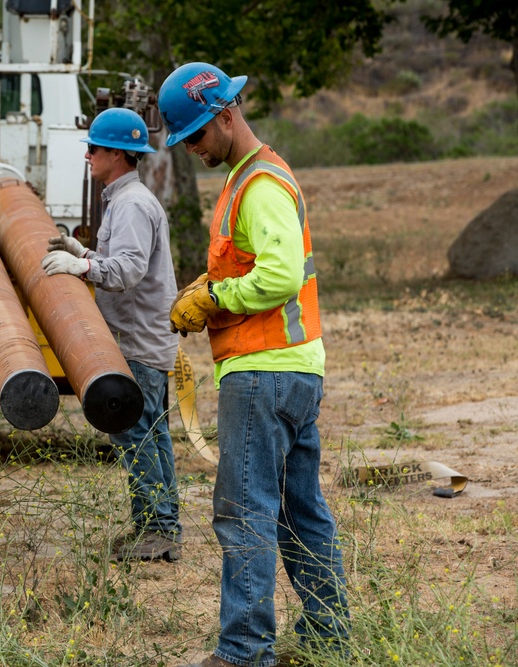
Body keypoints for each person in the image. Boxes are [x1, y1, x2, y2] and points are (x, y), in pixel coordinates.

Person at [158, 63, 349, 667]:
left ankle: (242, 652)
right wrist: (209, 284)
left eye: (194, 136)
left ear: (224, 114)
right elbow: (252, 265)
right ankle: (329, 639)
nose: (192, 149)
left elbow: (279, 275)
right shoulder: (251, 177)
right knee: (300, 514)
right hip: (295, 370)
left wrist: (215, 299)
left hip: (262, 372)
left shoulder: (259, 184)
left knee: (245, 511)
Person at [41, 107, 182, 562]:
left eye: (94, 148)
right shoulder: (125, 200)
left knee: (135, 434)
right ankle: (159, 526)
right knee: (151, 435)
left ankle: (158, 529)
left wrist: (82, 267)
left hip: (139, 342)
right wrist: (83, 250)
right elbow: (119, 257)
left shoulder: (132, 204)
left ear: (118, 155)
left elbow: (128, 270)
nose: (87, 154)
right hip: (145, 339)